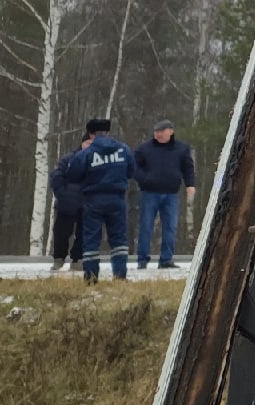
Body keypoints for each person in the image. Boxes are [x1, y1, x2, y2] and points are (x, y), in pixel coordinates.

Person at [66, 118, 135, 282]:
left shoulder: (86, 154)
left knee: (91, 240)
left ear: (91, 134)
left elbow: (72, 174)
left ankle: (91, 278)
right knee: (119, 239)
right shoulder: (123, 150)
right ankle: (120, 275)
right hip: (117, 199)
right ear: (108, 132)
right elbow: (131, 171)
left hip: (93, 200)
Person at [134, 119, 196, 270]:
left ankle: (166, 260)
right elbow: (133, 166)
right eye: (156, 132)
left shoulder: (181, 149)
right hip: (150, 193)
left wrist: (190, 185)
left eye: (162, 131)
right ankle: (142, 259)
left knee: (170, 227)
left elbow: (188, 168)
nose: (158, 134)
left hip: (171, 194)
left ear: (171, 131)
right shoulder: (144, 149)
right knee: (146, 226)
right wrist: (143, 180)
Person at [48, 132, 93, 272]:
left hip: (87, 203)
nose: (89, 146)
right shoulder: (69, 158)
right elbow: (56, 176)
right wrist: (62, 193)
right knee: (61, 232)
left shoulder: (97, 162)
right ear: (82, 143)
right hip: (67, 203)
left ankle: (77, 259)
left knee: (84, 233)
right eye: (88, 143)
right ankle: (58, 259)